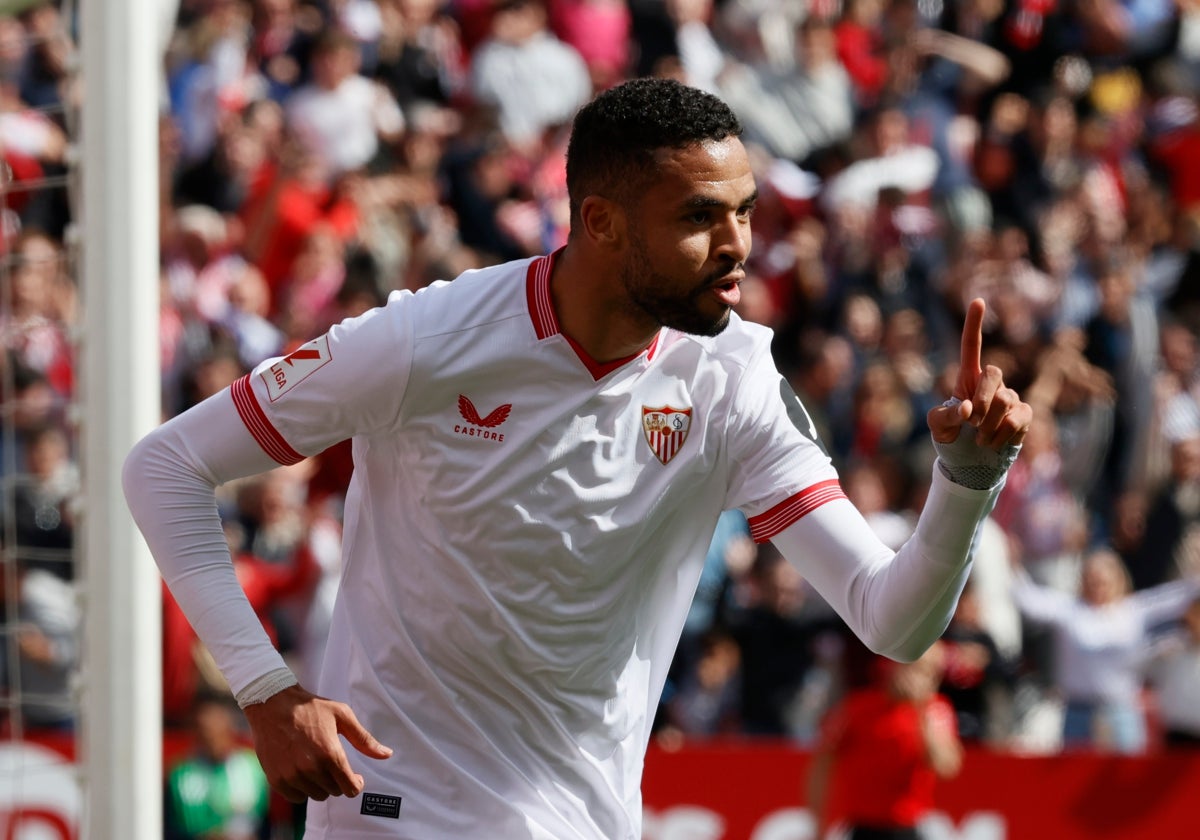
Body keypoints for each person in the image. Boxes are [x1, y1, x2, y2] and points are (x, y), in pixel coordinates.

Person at [123, 78, 1031, 839]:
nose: (739, 245)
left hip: (581, 823)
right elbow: (164, 468)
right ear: (600, 222)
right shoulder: (426, 341)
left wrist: (967, 481)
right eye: (699, 216)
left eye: (746, 212)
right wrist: (266, 691)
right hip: (398, 813)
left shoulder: (732, 381)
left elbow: (892, 620)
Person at [806, 643, 963, 840]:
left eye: (926, 673)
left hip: (909, 826)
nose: (914, 678)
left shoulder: (935, 711)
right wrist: (819, 822)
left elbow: (946, 766)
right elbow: (823, 762)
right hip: (863, 826)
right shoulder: (859, 707)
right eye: (911, 668)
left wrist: (922, 713)